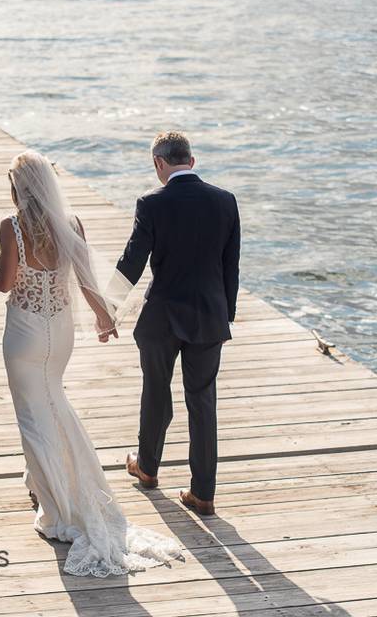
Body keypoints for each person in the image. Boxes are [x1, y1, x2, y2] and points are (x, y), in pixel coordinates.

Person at [0, 150, 182, 577]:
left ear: (17, 186)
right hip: (59, 332)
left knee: (33, 417)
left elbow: (4, 283)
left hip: (24, 332)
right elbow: (85, 279)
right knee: (54, 403)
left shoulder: (12, 227)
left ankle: (56, 507)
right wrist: (103, 316)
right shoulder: (73, 224)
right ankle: (48, 485)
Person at [114, 131, 241, 517]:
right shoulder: (225, 201)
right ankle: (203, 493)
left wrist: (107, 306)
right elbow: (229, 266)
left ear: (158, 163)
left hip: (163, 316)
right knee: (202, 401)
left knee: (156, 391)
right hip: (208, 316)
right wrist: (226, 313)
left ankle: (148, 468)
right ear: (192, 161)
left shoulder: (152, 203)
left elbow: (133, 261)